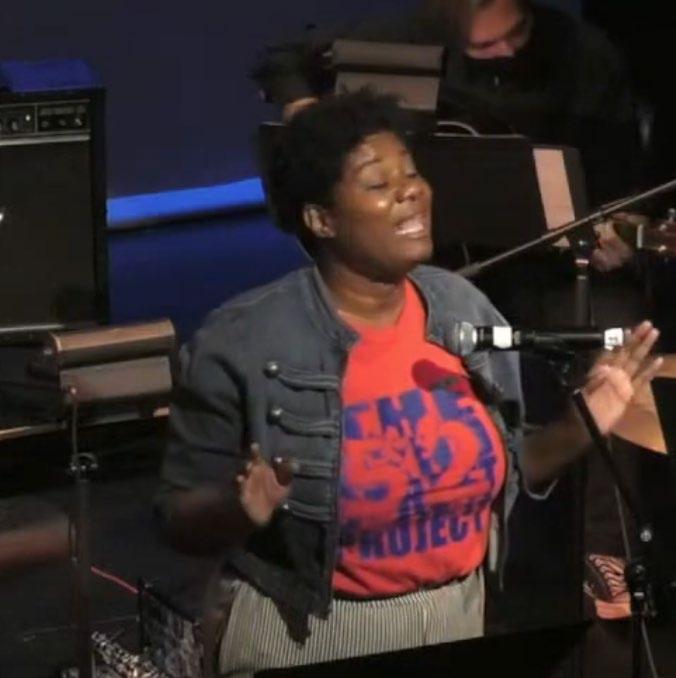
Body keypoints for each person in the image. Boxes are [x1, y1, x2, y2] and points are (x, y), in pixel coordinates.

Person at [157, 90, 661, 677]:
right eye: (378, 183)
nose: (411, 191)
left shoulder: (461, 305)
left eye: (413, 174)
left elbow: (506, 466)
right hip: (312, 634)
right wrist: (239, 509)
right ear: (320, 219)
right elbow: (176, 516)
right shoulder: (245, 338)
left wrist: (581, 427)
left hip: (457, 618)